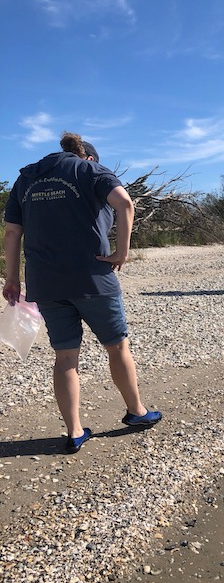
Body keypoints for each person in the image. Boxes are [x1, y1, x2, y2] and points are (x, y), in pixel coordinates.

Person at [2, 132, 162, 453]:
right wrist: (121, 252)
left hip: (45, 282)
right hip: (92, 278)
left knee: (64, 357)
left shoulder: (27, 178)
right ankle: (136, 412)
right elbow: (124, 203)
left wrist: (12, 279)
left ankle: (74, 432)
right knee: (117, 346)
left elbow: (12, 231)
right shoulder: (90, 171)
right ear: (88, 158)